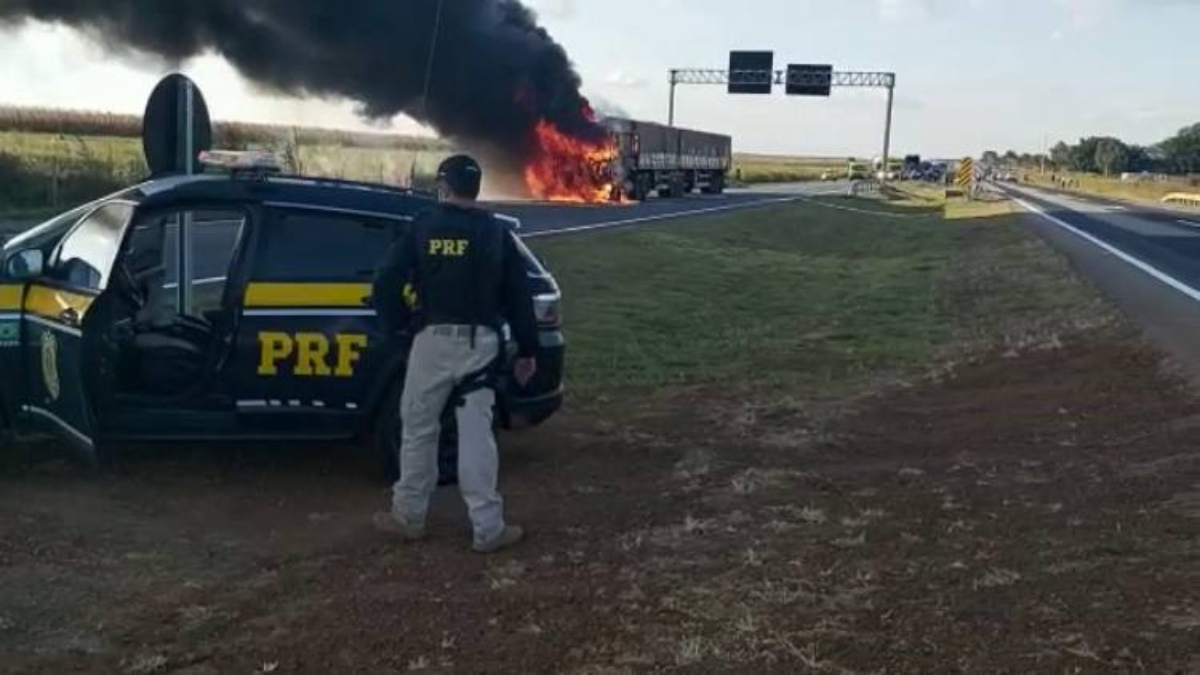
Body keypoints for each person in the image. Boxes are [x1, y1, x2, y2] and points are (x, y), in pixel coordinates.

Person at [371, 154, 539, 554]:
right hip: (480, 345)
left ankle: (409, 516)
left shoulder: (423, 226)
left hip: (432, 340)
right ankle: (487, 527)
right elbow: (519, 295)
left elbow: (385, 281)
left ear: (444, 186)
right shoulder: (496, 232)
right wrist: (528, 350)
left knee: (417, 428)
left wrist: (396, 329)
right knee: (477, 435)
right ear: (476, 188)